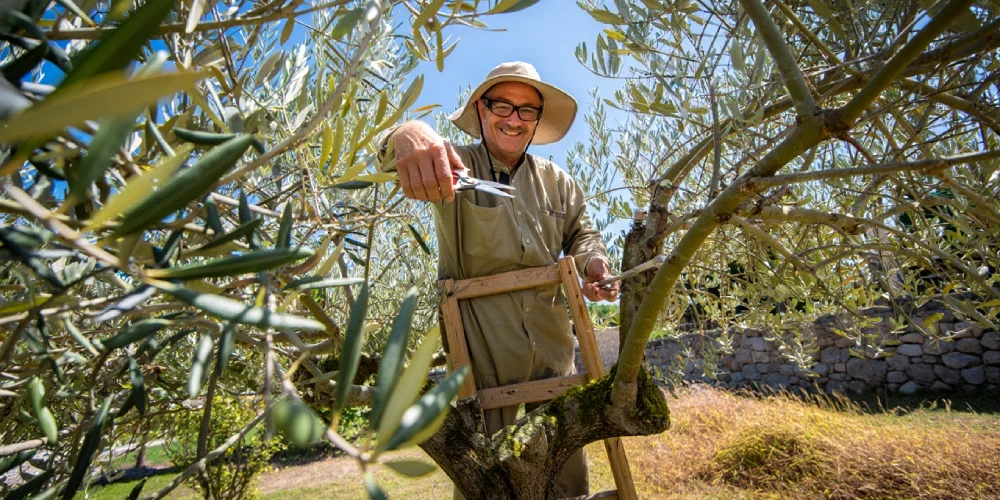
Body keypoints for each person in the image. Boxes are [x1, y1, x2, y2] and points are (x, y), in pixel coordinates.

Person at [383, 62, 618, 498]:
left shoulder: (558, 182)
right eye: (503, 105)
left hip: (553, 346)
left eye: (527, 110)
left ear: (537, 119)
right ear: (481, 108)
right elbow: (386, 162)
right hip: (481, 354)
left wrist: (593, 265)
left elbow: (584, 235)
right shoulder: (453, 167)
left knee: (567, 474)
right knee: (489, 482)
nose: (514, 119)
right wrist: (407, 133)